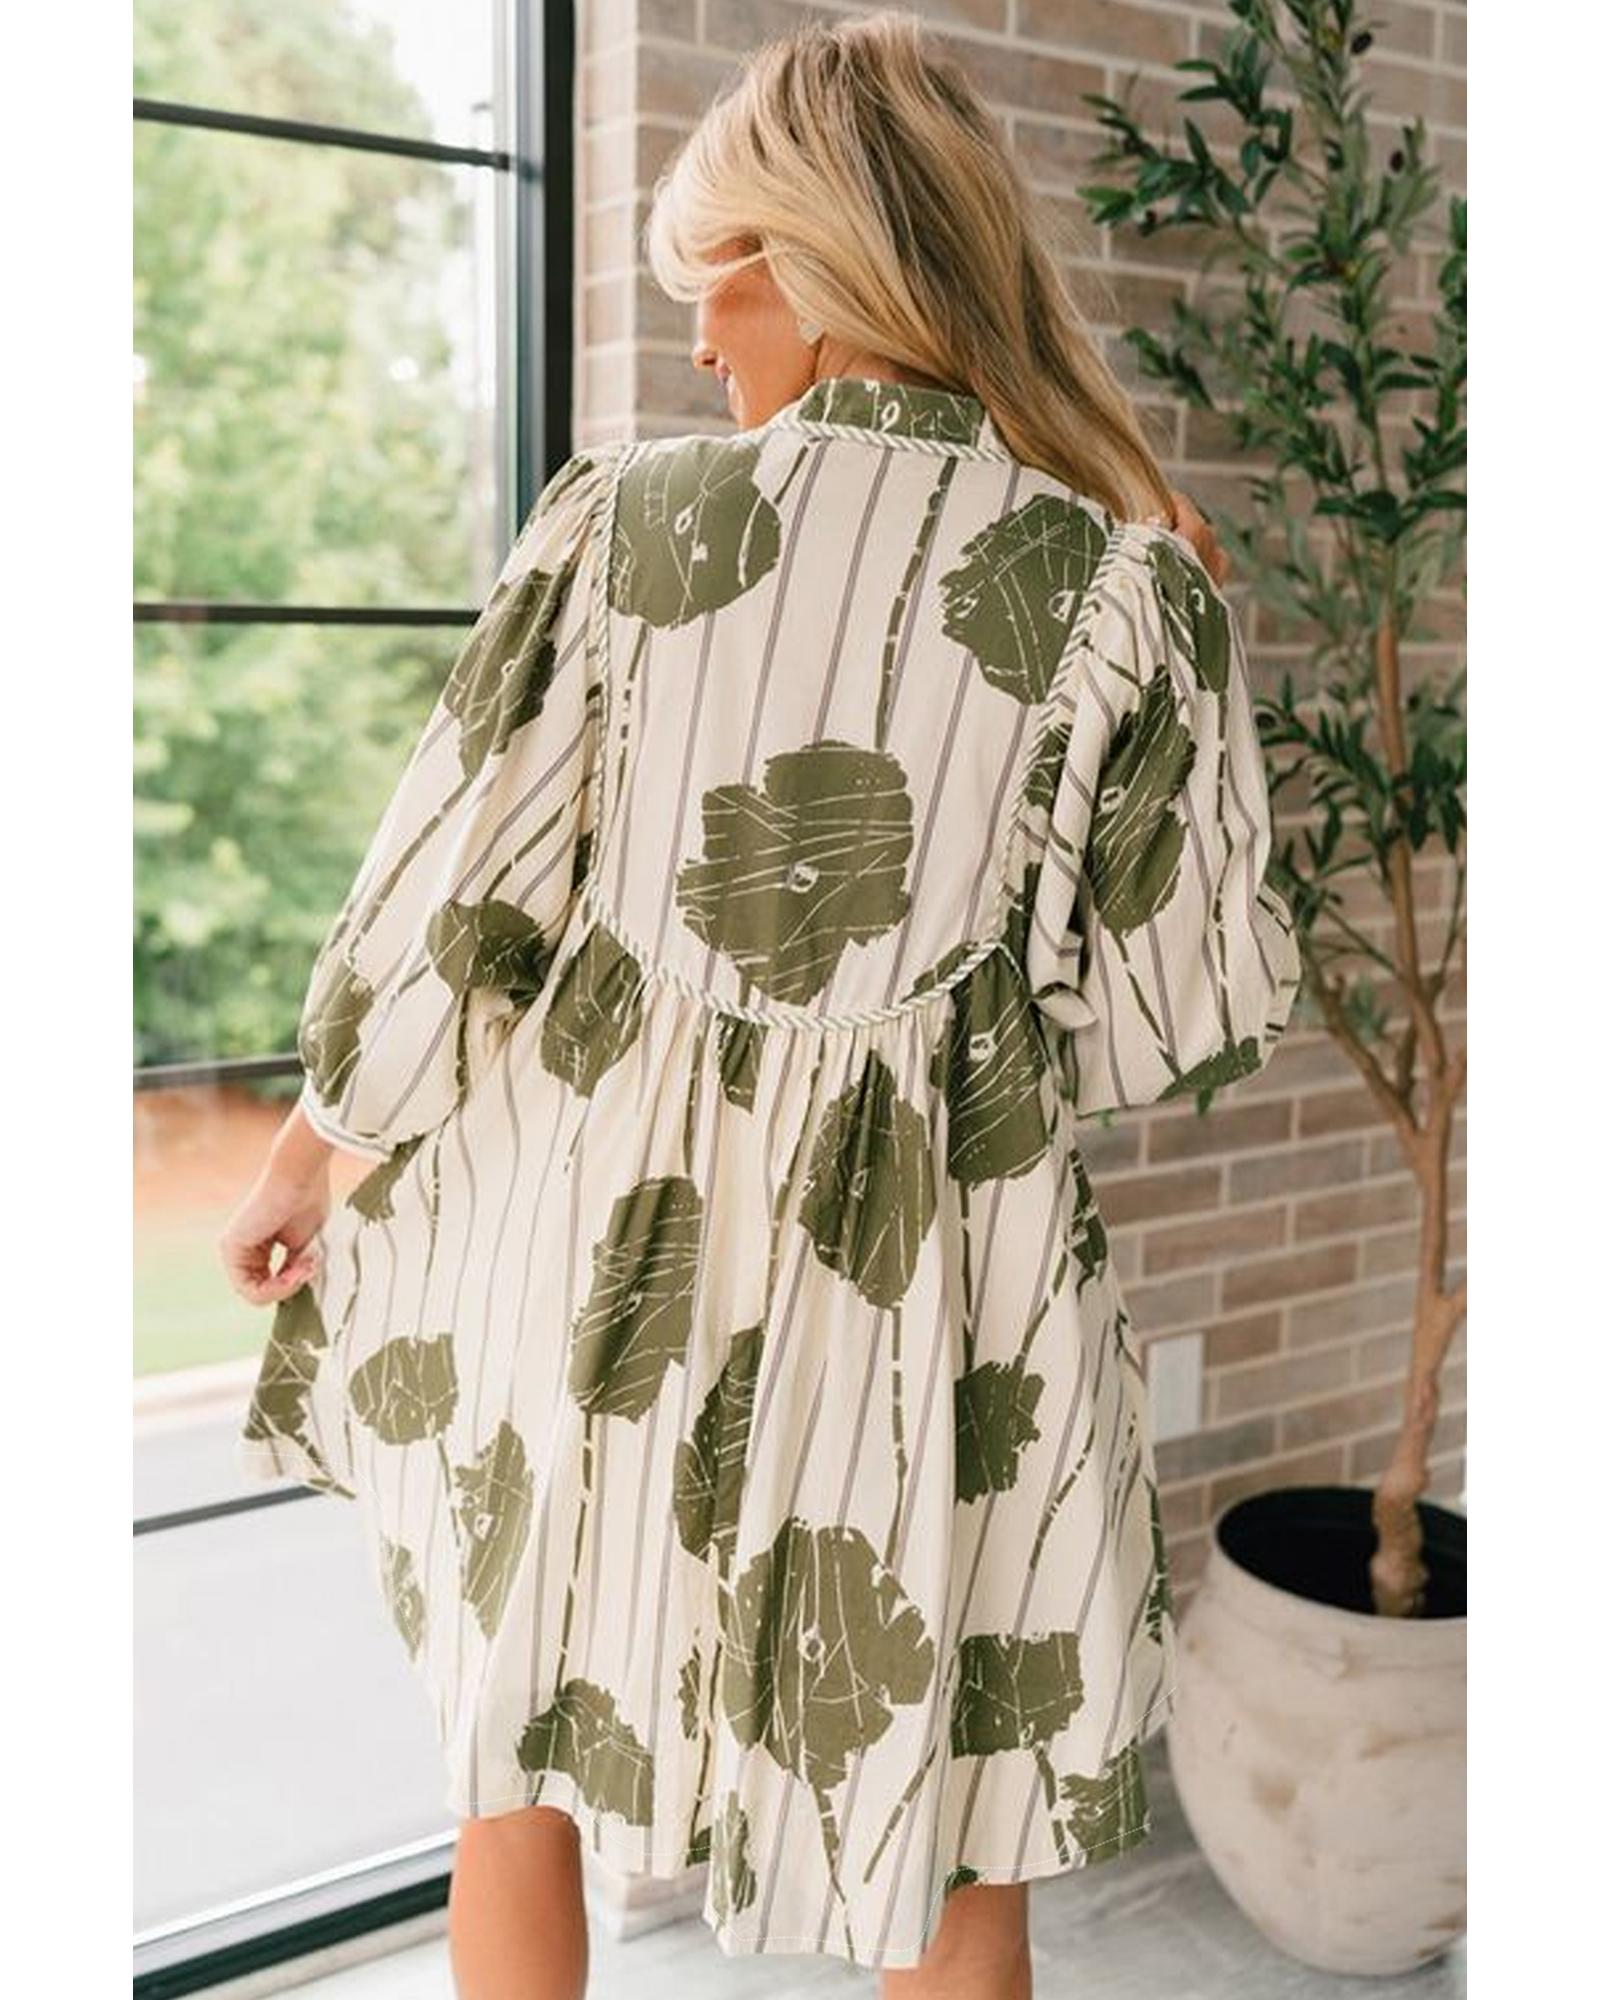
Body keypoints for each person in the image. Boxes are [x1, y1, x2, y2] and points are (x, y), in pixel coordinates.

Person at [219, 10, 1299, 1997]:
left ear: (807, 263)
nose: (698, 337)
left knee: (519, 1759)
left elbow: (456, 913)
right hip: (936, 1302)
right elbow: (1164, 1020)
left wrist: (309, 1154)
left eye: (710, 278)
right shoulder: (1120, 589)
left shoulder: (627, 528)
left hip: (605, 1278)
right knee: (953, 1844)